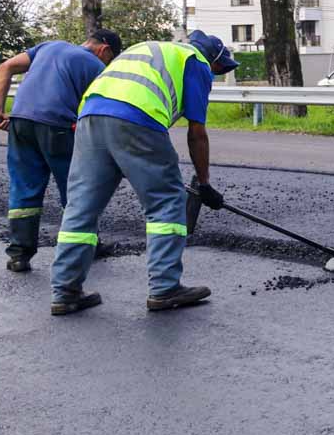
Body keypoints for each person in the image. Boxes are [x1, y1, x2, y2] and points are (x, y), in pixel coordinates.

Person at [48, 30, 237, 315]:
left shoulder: (149, 49)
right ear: (213, 59)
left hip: (90, 117)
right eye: (220, 70)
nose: (216, 75)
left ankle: (65, 292)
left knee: (81, 208)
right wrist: (205, 183)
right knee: (166, 201)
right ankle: (164, 287)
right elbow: (197, 132)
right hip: (136, 116)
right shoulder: (195, 61)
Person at [0, 28, 123, 273]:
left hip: (20, 122)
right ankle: (86, 247)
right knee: (76, 189)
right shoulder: (95, 66)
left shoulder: (48, 46)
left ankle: (19, 255)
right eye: (110, 57)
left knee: (24, 188)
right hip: (57, 127)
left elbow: (5, 67)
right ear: (104, 50)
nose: (108, 62)